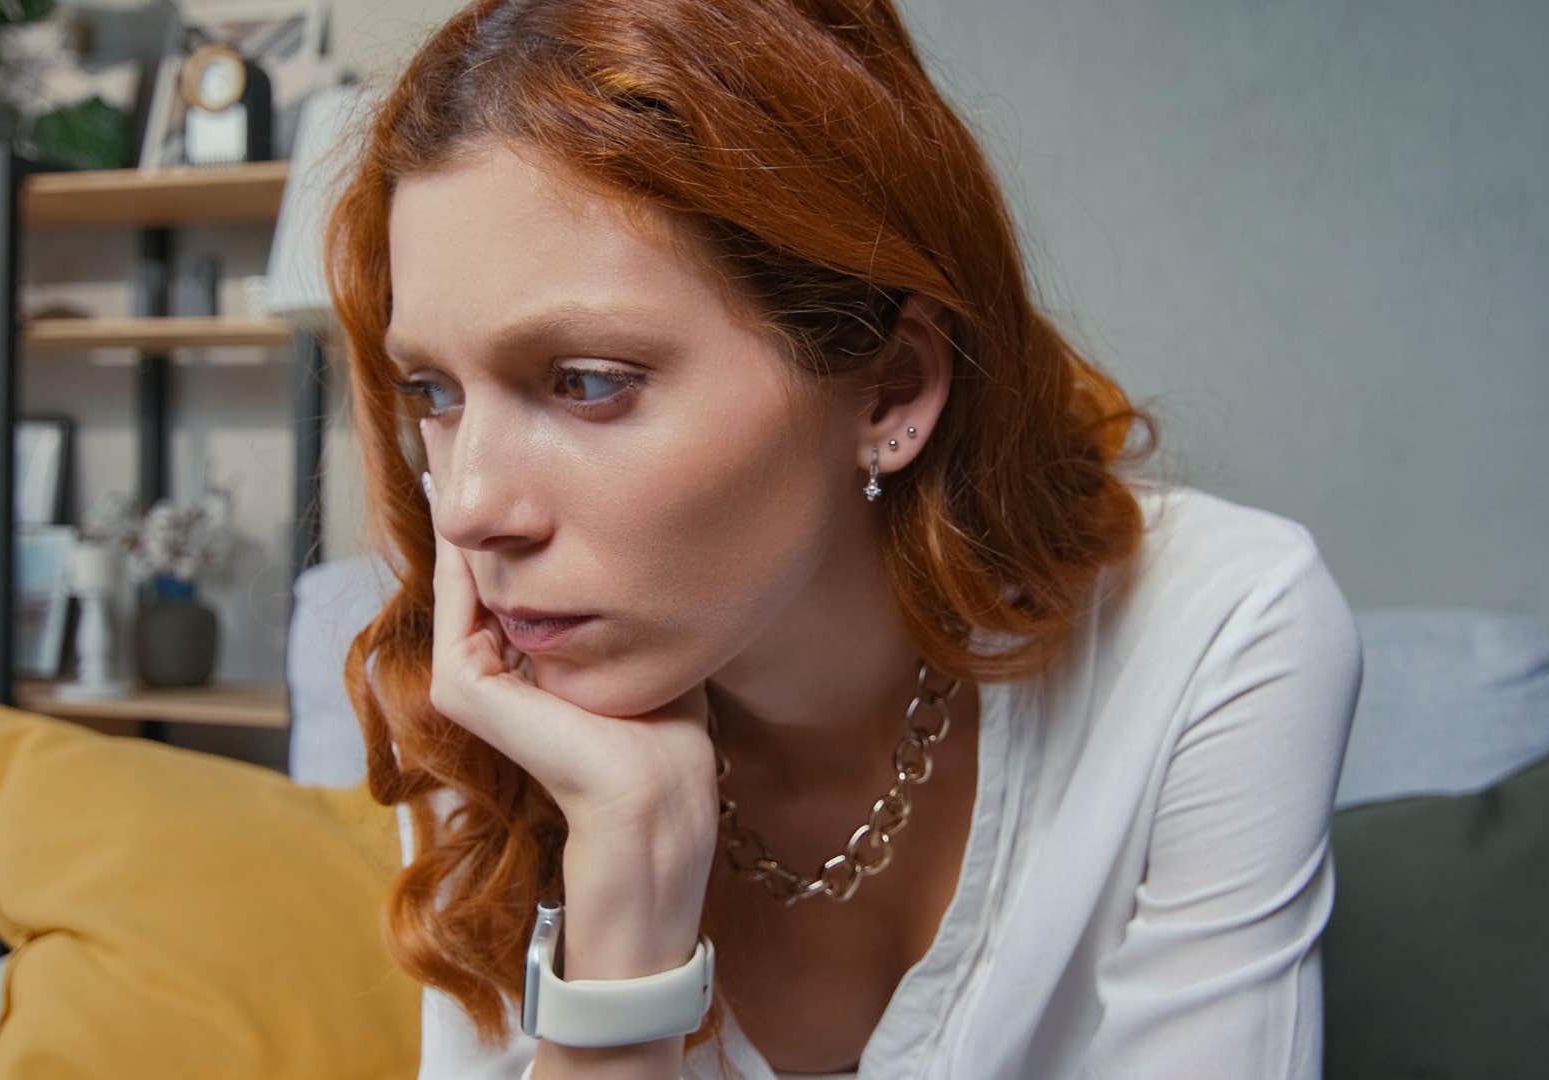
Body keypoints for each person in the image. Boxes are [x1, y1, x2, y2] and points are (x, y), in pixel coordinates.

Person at [325, 2, 1363, 1078]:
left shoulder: (1218, 636)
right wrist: (626, 902)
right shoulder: (488, 711)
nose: (470, 507)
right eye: (433, 392)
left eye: (588, 382)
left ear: (891, 387)